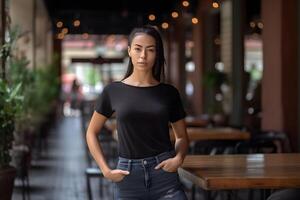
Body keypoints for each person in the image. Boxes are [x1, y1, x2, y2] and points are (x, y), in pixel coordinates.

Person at [86, 25, 189, 199]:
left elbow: (182, 137)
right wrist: (105, 169)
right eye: (138, 49)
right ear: (129, 51)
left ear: (157, 54)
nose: (143, 56)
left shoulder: (169, 92)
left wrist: (178, 158)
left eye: (150, 50)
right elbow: (91, 132)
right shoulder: (113, 91)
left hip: (164, 176)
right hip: (128, 177)